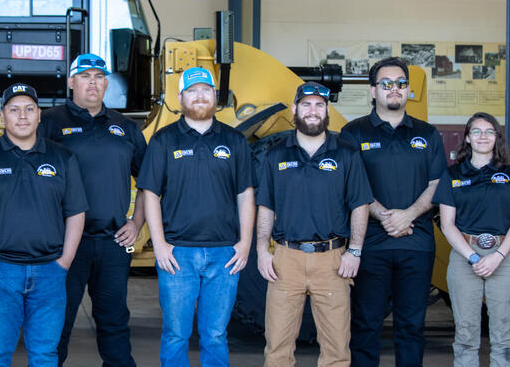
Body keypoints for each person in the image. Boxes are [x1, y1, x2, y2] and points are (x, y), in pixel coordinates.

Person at [0, 83, 88, 367]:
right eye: (14, 109)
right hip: (0, 271)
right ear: (3, 116)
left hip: (50, 272)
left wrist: (64, 261)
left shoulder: (62, 157)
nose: (23, 116)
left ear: (40, 115)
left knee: (44, 355)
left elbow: (76, 213)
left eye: (29, 109)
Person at [137, 66, 255, 367]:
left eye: (206, 90)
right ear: (180, 98)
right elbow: (150, 193)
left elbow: (245, 194)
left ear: (216, 96)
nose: (200, 96)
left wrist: (244, 244)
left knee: (215, 333)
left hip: (224, 254)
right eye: (192, 90)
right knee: (176, 333)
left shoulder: (235, 141)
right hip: (178, 254)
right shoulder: (164, 140)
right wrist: (160, 245)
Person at [40, 54, 147, 367]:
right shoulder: (50, 122)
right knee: (57, 324)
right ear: (71, 82)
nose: (93, 83)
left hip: (114, 243)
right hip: (65, 245)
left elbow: (149, 181)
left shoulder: (125, 127)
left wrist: (136, 223)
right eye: (85, 76)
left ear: (106, 83)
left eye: (99, 77)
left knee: (114, 323)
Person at [256, 81, 372, 367]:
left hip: (332, 260)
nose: (312, 110)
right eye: (306, 104)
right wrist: (262, 250)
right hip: (286, 260)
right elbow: (266, 207)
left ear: (327, 110)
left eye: (319, 104)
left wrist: (354, 251)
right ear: (295, 109)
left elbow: (360, 205)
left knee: (336, 351)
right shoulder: (276, 154)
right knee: (277, 350)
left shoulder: (346, 154)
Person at [340, 57, 447, 367]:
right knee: (365, 325)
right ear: (373, 90)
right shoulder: (353, 132)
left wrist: (407, 215)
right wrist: (386, 216)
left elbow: (437, 183)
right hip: (370, 245)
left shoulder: (427, 134)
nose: (394, 89)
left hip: (417, 242)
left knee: (411, 327)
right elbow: (350, 185)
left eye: (401, 83)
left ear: (408, 90)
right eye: (386, 84)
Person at [432, 112, 510, 367]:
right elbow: (447, 224)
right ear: (467, 137)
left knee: (503, 335)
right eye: (476, 131)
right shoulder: (453, 174)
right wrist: (475, 257)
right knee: (466, 335)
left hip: (504, 254)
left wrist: (497, 257)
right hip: (465, 254)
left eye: (489, 131)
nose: (483, 137)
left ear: (497, 137)